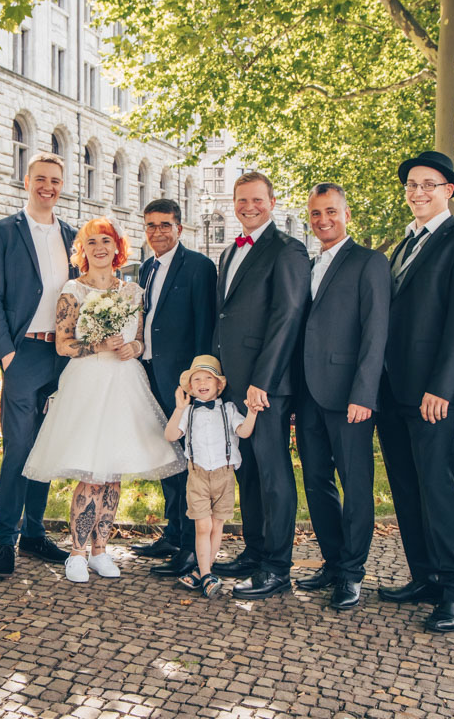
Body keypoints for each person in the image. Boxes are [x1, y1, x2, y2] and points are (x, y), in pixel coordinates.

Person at [22, 217, 185, 583]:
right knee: (92, 474)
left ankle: (100, 551)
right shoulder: (73, 290)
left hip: (125, 384)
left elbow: (141, 339)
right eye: (92, 241)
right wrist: (99, 344)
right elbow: (63, 344)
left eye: (106, 241)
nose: (99, 248)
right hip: (88, 384)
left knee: (112, 475)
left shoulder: (131, 292)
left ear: (117, 248)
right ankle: (76, 553)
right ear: (83, 249)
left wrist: (133, 346)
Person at [375, 150, 454, 632]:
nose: (418, 192)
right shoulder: (400, 247)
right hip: (392, 391)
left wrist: (443, 387)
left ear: (449, 191)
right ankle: (423, 576)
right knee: (405, 487)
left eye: (429, 184)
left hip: (432, 395)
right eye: (411, 185)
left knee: (438, 489)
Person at [211, 171, 310, 600]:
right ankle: (253, 552)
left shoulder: (288, 250)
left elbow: (287, 318)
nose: (248, 207)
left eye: (256, 200)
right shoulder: (229, 252)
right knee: (247, 469)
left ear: (272, 201)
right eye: (241, 200)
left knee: (273, 473)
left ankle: (277, 566)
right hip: (232, 381)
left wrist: (262, 382)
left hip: (264, 386)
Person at [294, 183, 389, 611]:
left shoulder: (369, 262)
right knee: (316, 482)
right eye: (315, 214)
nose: (323, 220)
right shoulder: (309, 263)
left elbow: (376, 332)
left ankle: (352, 572)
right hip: (309, 394)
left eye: (330, 212)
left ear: (347, 215)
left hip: (350, 395)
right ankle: (332, 563)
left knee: (355, 485)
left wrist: (364, 393)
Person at [0, 152, 77, 579]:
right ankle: (5, 539)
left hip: (63, 357)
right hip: (23, 355)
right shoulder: (2, 232)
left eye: (55, 181)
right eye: (41, 179)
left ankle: (34, 534)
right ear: (26, 181)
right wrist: (7, 355)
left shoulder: (72, 235)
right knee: (18, 451)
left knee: (48, 448)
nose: (48, 187)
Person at [131, 198, 218, 578]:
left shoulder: (199, 267)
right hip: (148, 373)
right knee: (165, 455)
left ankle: (187, 545)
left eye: (165, 225)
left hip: (181, 379)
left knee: (185, 458)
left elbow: (204, 327)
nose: (158, 232)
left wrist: (198, 382)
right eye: (151, 225)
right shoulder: (146, 268)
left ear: (179, 228)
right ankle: (172, 531)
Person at [163, 355, 257, 598]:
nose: (202, 382)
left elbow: (244, 432)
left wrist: (253, 413)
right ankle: (206, 575)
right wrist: (179, 408)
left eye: (208, 378)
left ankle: (203, 572)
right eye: (196, 379)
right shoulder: (189, 412)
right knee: (202, 525)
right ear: (190, 387)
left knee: (217, 526)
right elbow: (171, 435)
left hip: (224, 475)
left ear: (219, 385)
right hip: (198, 475)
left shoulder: (228, 409)